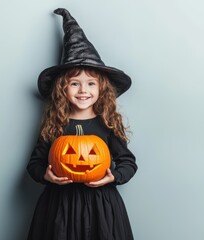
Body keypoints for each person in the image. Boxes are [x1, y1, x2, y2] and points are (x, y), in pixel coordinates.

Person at [26, 8, 138, 240]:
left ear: (101, 89)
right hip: (60, 206)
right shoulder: (54, 124)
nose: (83, 90)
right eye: (75, 83)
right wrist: (45, 176)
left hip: (102, 206)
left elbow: (128, 162)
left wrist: (114, 177)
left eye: (91, 84)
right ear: (62, 89)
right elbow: (35, 163)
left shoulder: (107, 123)